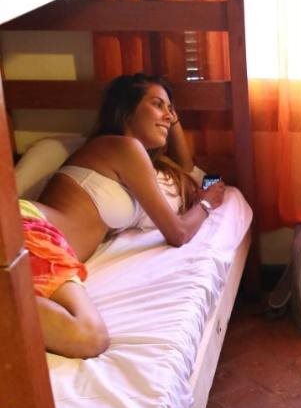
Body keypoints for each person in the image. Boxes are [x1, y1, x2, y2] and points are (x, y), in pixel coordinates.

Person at [21, 74, 225, 359]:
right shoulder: (124, 148)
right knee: (89, 336)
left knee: (85, 336)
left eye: (171, 110)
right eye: (158, 105)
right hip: (31, 230)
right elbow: (178, 233)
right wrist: (205, 204)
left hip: (37, 236)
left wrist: (169, 116)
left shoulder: (126, 158)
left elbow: (186, 167)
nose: (168, 116)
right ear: (126, 110)